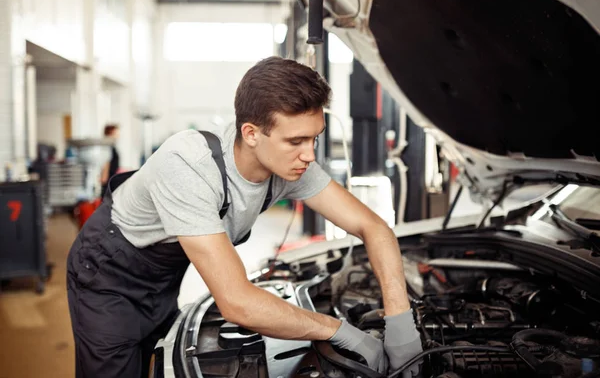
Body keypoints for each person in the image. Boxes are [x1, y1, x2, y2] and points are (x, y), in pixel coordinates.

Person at [66, 57, 422, 378]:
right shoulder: (187, 166)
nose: (309, 155)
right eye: (296, 141)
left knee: (154, 358)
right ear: (251, 133)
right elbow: (236, 302)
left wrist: (401, 325)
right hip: (108, 273)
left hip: (162, 276)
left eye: (314, 138)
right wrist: (340, 331)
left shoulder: (291, 165)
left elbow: (373, 226)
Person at [100, 124, 120, 199]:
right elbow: (106, 162)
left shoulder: (111, 146)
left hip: (111, 178)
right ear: (110, 133)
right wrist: (104, 178)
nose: (118, 135)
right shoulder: (107, 146)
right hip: (108, 180)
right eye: (116, 133)